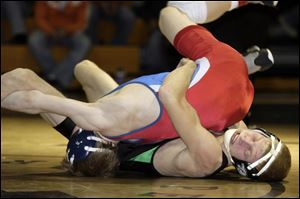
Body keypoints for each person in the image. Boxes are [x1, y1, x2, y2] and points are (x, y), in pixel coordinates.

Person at [1, 1, 290, 181]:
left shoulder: (210, 156)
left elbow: (171, 96)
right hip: (134, 130)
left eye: (250, 152)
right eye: (258, 140)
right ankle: (245, 63)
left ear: (243, 166)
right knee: (84, 68)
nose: (248, 141)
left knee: (22, 78)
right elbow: (232, 116)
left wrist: (188, 67)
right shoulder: (229, 140)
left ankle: (243, 61)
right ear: (263, 134)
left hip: (112, 144)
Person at [28, 1, 91, 91]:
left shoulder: (80, 2)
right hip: (48, 30)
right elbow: (40, 18)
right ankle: (58, 78)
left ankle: (52, 76)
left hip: (70, 32)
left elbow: (81, 22)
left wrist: (67, 31)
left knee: (84, 42)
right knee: (34, 40)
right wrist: (51, 31)